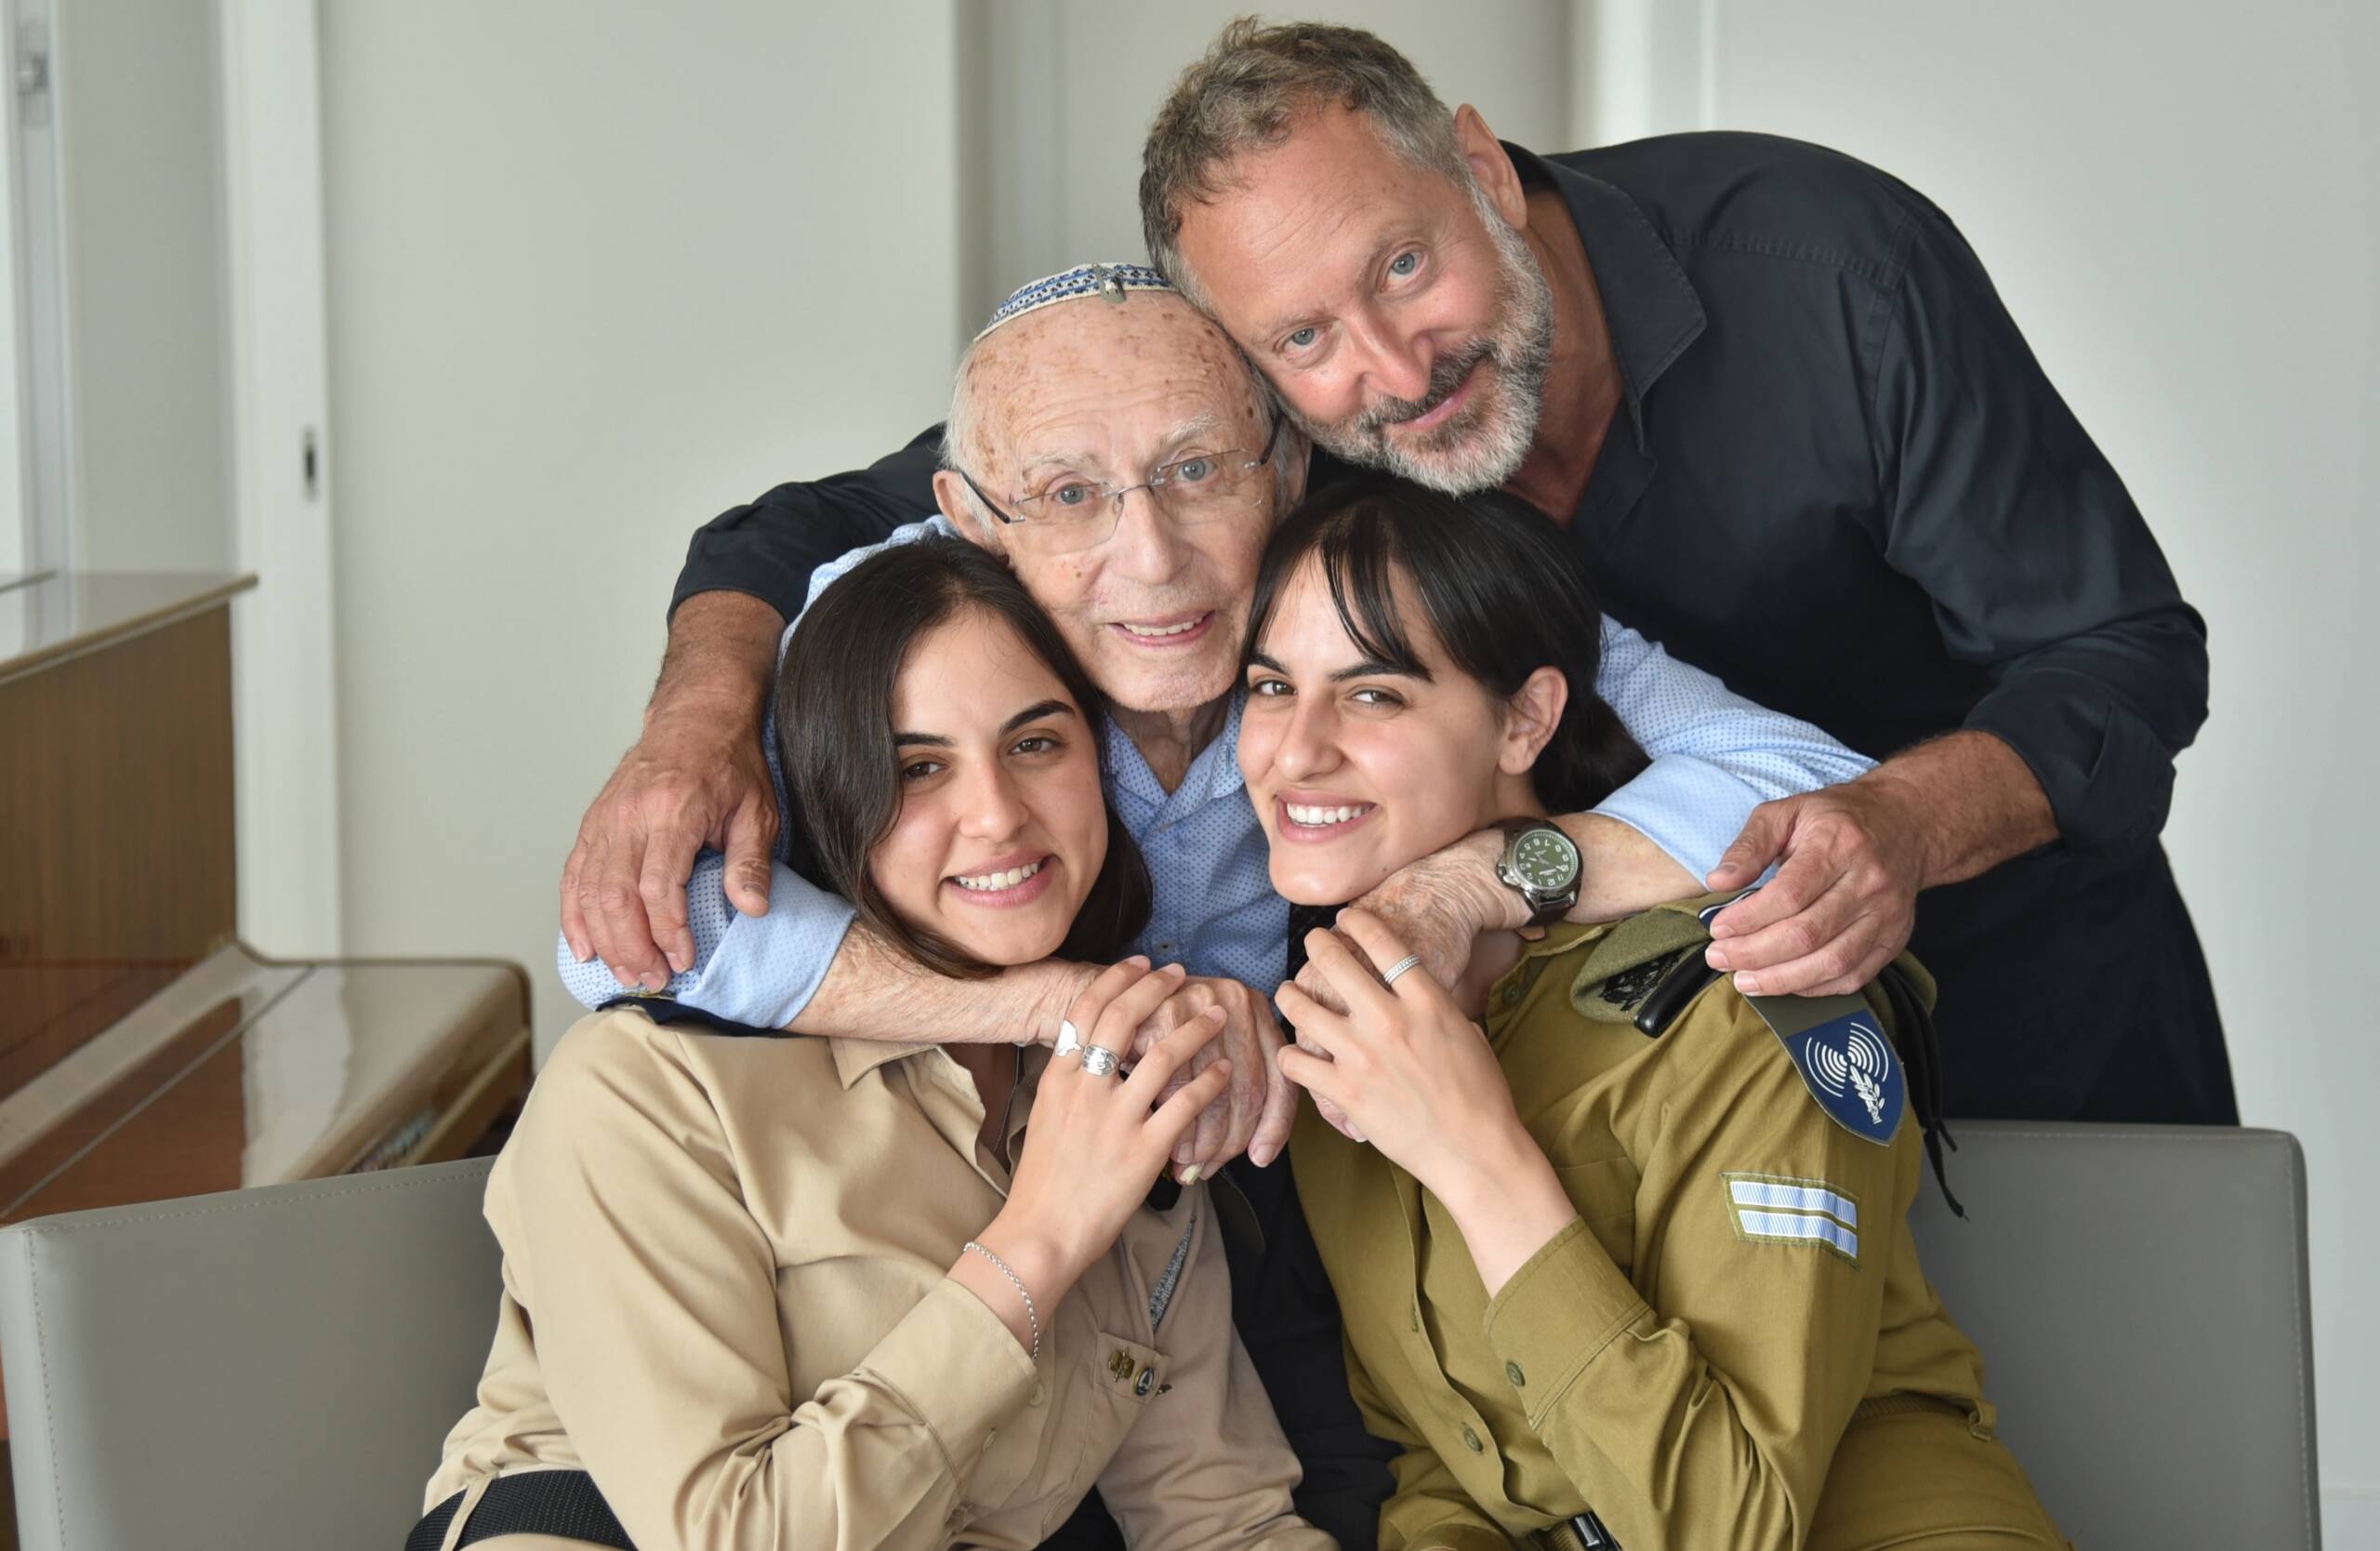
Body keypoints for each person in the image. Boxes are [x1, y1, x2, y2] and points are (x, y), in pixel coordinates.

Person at [573, 19, 2226, 1125]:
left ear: (1484, 170)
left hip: (2026, 967)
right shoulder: (1269, 432)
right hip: (1631, 1049)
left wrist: (1894, 828)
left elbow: (2125, 654)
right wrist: (696, 729)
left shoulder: (1831, 265)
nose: (1387, 366)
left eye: (1408, 265)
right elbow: (799, 534)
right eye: (1302, 338)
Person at [549, 267, 1873, 1550]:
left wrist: (1460, 882)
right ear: (972, 515)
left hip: (1270, 1209)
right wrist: (1065, 1003)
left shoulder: (1347, 594)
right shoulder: (903, 635)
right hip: (969, 1232)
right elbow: (627, 936)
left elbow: (1799, 778)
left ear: (1281, 467)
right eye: (1069, 495)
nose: (1153, 557)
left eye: (1195, 471)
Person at [409, 538, 1330, 1551]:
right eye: (916, 767)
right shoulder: (650, 1092)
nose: (996, 816)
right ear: (826, 798)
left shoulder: (1126, 1071)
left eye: (1036, 744)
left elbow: (1222, 1519)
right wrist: (1044, 1234)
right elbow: (736, 1535)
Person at [1248, 473, 2068, 1551]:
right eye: (1269, 687)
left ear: (1527, 718)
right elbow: (1450, 1462)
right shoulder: (1335, 1027)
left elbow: (1733, 1525)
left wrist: (1471, 1152)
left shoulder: (1743, 989)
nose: (1295, 751)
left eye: (1373, 694)